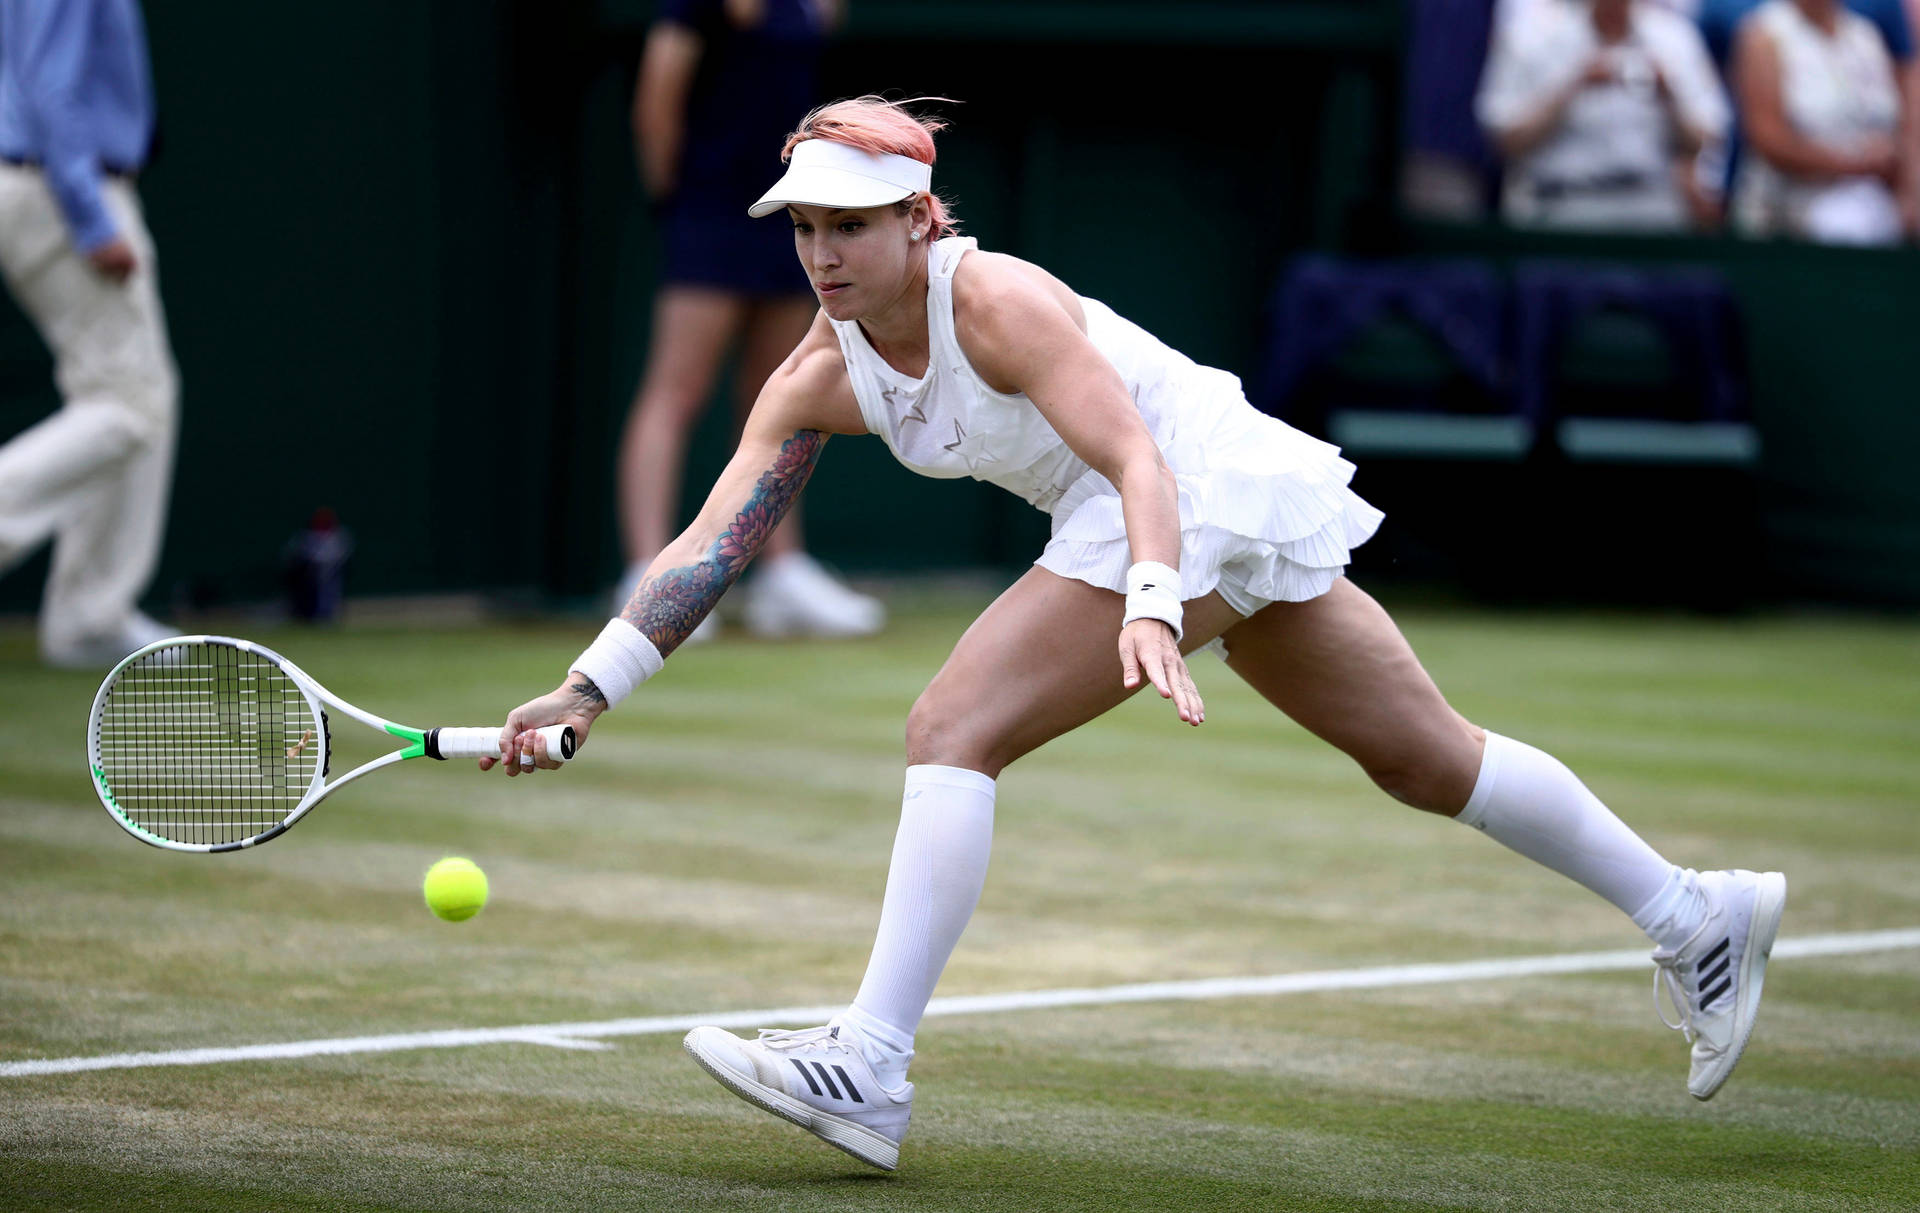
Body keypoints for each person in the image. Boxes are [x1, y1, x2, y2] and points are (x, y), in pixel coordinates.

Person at [483, 97, 1788, 1172]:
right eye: (807, 228)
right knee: (1424, 758)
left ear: (919, 219)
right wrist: (587, 687)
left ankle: (868, 1066)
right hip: (1151, 511)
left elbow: (1129, 455)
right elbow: (714, 543)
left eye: (855, 225)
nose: (825, 255)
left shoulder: (994, 301)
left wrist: (1157, 598)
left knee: (952, 724)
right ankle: (1695, 912)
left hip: (1185, 486)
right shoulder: (817, 375)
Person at [615, 0, 883, 640]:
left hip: (791, 208)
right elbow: (656, 105)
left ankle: (781, 573)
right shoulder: (693, 10)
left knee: (782, 394)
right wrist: (677, 204)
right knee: (676, 391)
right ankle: (649, 574)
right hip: (708, 211)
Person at [0, 0, 179, 668]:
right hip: (63, 187)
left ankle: (89, 617)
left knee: (133, 396)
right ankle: (89, 616)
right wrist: (89, 213)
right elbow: (50, 81)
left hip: (45, 182)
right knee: (131, 406)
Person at [1477, 0, 1732, 231]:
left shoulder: (1675, 38)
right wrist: (1572, 89)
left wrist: (1668, 96)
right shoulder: (1530, 36)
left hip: (1651, 210)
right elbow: (1503, 140)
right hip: (1560, 208)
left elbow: (1706, 138)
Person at [1729, 0, 1915, 242]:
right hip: (1790, 215)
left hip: (1873, 204)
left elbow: (1900, 122)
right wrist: (1854, 165)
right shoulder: (1764, 35)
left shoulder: (1865, 36)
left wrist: (1907, 188)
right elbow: (1768, 139)